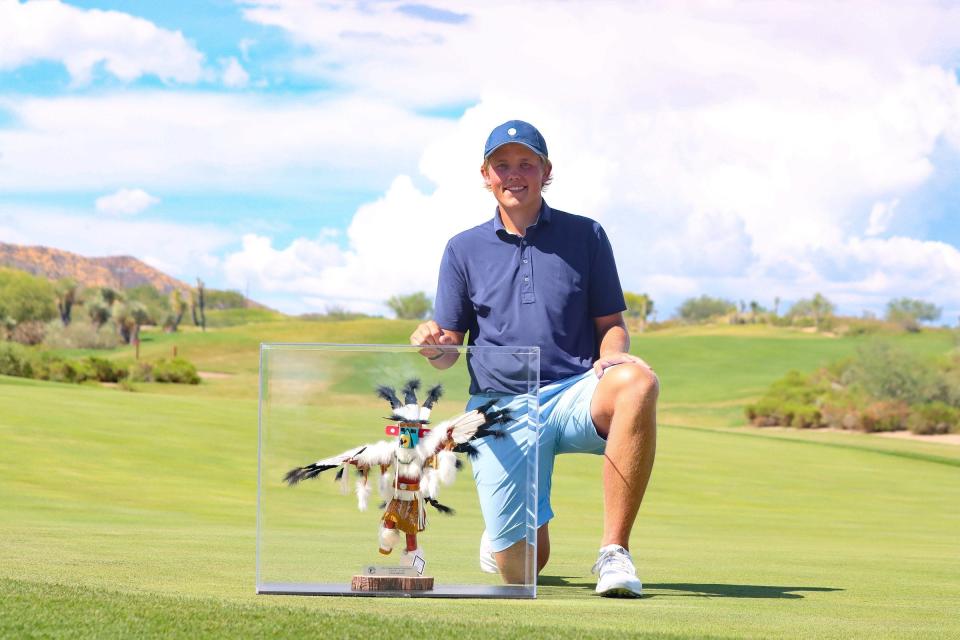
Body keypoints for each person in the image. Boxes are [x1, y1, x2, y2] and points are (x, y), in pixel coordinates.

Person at [409, 120, 657, 598]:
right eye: (502, 165)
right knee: (523, 571)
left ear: (546, 171)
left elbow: (612, 325)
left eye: (526, 164)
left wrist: (613, 357)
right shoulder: (462, 248)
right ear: (485, 174)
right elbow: (449, 349)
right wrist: (433, 344)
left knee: (638, 382)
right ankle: (511, 526)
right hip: (500, 407)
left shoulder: (587, 235)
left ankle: (613, 551)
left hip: (574, 391)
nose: (514, 174)